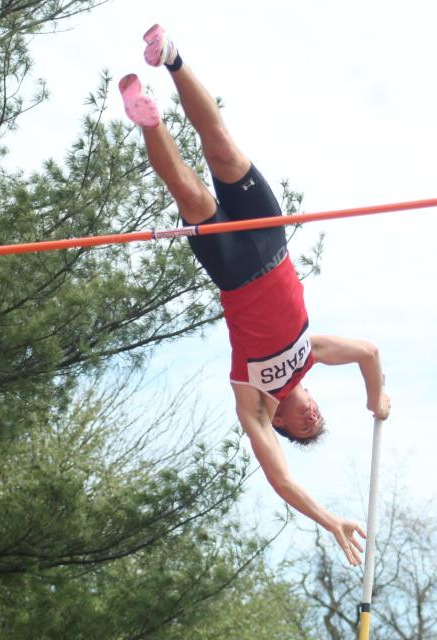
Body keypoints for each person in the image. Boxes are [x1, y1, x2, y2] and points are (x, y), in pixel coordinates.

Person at [119, 24, 391, 566]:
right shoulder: (311, 354)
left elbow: (282, 482)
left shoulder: (255, 403)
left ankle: (148, 118)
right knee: (220, 145)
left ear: (285, 425)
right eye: (319, 415)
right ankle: (170, 57)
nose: (313, 416)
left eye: (306, 426)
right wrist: (372, 397)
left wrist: (331, 519)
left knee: (189, 189)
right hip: (271, 239)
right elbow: (370, 353)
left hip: (235, 271)